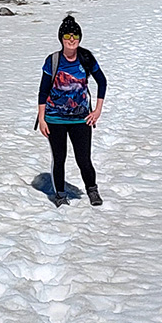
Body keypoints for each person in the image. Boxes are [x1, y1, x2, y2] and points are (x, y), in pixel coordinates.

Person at [37, 14, 106, 207]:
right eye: (67, 36)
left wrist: (97, 110)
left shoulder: (86, 58)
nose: (72, 40)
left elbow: (102, 81)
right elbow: (43, 91)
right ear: (61, 39)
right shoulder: (53, 60)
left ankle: (92, 189)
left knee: (84, 158)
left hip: (81, 119)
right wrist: (42, 119)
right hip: (54, 119)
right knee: (59, 158)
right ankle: (60, 194)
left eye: (75, 35)